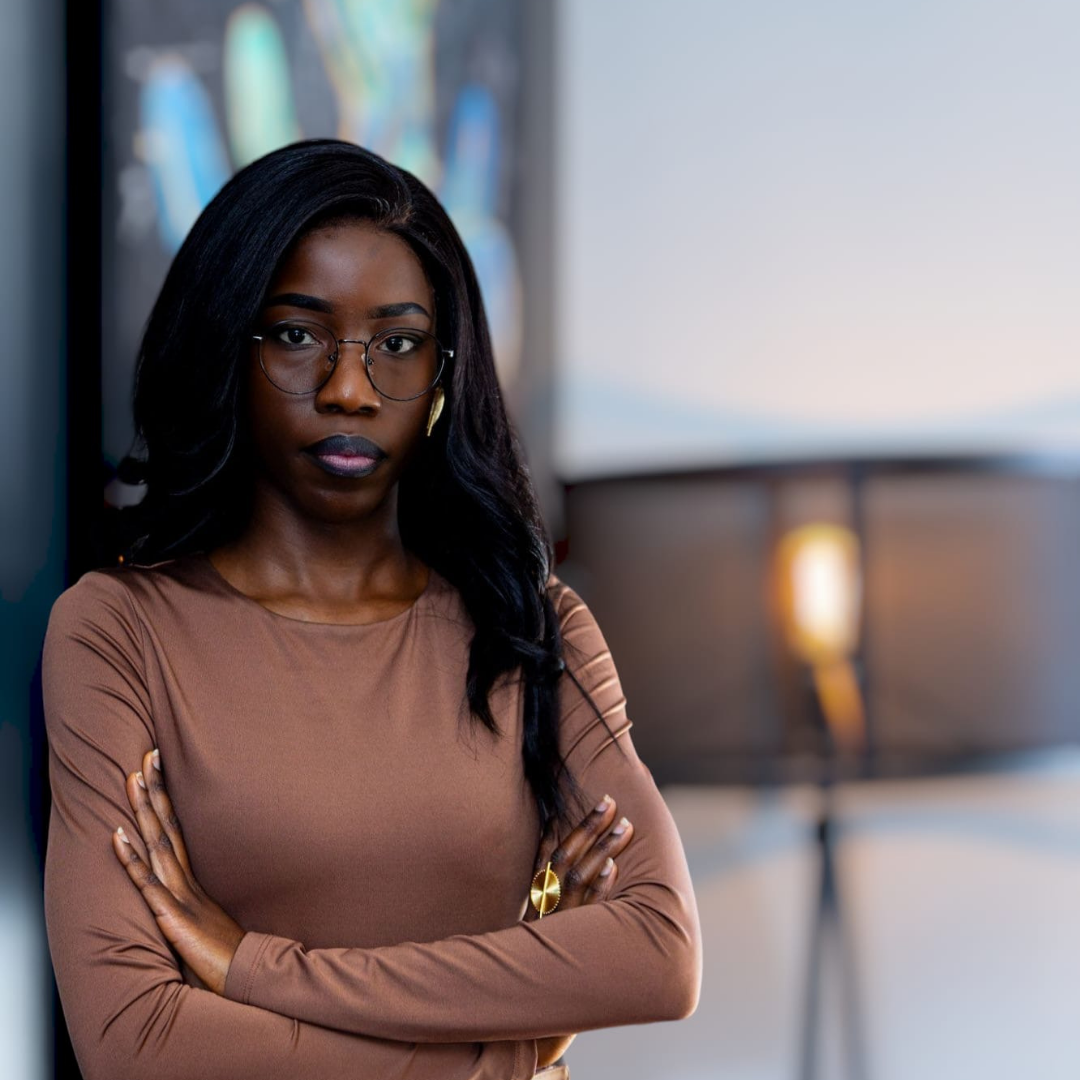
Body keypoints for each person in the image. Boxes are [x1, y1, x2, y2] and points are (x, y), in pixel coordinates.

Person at [41, 139, 703, 1080]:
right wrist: (512, 1049)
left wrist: (253, 968)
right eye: (297, 334)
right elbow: (137, 1040)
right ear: (228, 342)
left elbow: (659, 954)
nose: (350, 389)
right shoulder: (119, 633)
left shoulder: (529, 628)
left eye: (397, 344)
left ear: (441, 372)